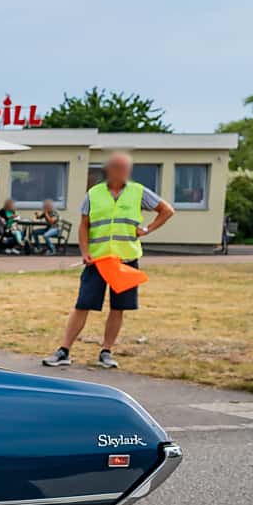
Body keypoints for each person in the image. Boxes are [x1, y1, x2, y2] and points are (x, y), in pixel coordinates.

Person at [42, 151, 175, 369]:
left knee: (118, 307)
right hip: (98, 259)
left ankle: (106, 351)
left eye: (124, 169)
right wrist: (84, 251)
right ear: (108, 170)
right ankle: (64, 350)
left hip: (125, 259)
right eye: (117, 168)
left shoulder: (138, 191)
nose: (121, 172)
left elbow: (167, 210)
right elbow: (84, 225)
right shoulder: (93, 194)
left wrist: (147, 229)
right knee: (83, 304)